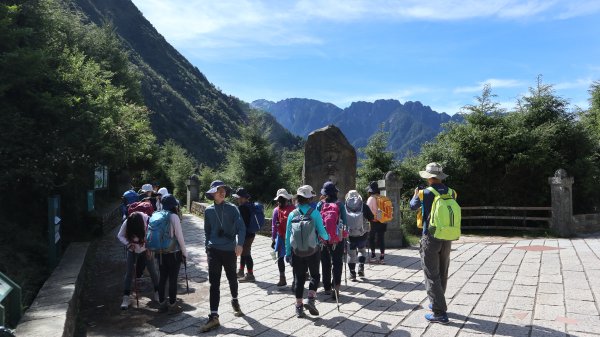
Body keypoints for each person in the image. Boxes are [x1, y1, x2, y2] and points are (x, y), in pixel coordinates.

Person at [410, 162, 455, 324]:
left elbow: (412, 206)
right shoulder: (452, 192)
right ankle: (438, 302)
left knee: (431, 273)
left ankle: (439, 312)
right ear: (440, 176)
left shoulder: (425, 193)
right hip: (447, 236)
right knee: (443, 270)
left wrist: (416, 195)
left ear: (429, 178)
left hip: (430, 236)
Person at [201, 181, 246, 333]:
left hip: (229, 250)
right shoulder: (208, 211)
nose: (222, 192)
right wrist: (207, 248)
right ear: (213, 193)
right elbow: (207, 232)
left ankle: (234, 299)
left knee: (232, 278)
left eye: (224, 190)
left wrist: (240, 244)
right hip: (213, 250)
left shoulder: (232, 209)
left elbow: (241, 227)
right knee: (214, 283)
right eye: (218, 190)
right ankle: (214, 316)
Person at [285, 185, 329, 318]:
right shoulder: (315, 213)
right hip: (312, 250)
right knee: (315, 276)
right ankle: (310, 299)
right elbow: (323, 233)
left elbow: (287, 236)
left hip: (297, 252)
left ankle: (299, 307)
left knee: (299, 278)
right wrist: (328, 238)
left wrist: (288, 253)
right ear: (309, 198)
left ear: (298, 198)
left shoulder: (292, 214)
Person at [117, 212, 160, 309]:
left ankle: (157, 292)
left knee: (152, 270)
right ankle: (126, 297)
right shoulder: (128, 222)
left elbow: (151, 237)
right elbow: (120, 235)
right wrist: (128, 244)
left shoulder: (147, 221)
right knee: (129, 272)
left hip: (145, 249)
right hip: (132, 249)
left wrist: (149, 248)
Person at [153, 195, 188, 313]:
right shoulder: (174, 217)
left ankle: (162, 303)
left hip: (160, 253)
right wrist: (184, 253)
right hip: (173, 253)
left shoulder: (157, 214)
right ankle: (172, 304)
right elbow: (180, 236)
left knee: (162, 278)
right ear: (173, 205)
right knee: (173, 279)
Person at [317, 181, 347, 300]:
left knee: (325, 262)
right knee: (337, 262)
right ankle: (336, 288)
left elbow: (317, 222)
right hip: (337, 238)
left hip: (323, 239)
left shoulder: (320, 204)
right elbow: (345, 223)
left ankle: (327, 287)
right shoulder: (340, 205)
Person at [344, 190, 374, 281]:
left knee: (351, 254)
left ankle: (352, 274)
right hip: (362, 233)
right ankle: (361, 267)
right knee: (362, 250)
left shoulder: (345, 206)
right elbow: (371, 218)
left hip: (350, 234)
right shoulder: (363, 206)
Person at [271, 188, 295, 287]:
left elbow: (273, 226)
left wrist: (273, 239)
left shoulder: (276, 210)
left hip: (281, 237)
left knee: (280, 258)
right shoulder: (294, 209)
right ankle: (295, 280)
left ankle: (282, 279)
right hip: (292, 237)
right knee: (294, 259)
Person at [233, 188, 256, 282]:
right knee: (243, 252)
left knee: (247, 254)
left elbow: (241, 223)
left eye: (238, 198)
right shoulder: (249, 205)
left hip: (245, 234)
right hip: (251, 233)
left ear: (243, 198)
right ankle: (241, 271)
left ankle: (250, 275)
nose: (237, 200)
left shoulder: (242, 208)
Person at [366, 181, 386, 264]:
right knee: (381, 239)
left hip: (373, 221)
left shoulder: (371, 198)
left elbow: (367, 210)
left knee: (371, 238)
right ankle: (382, 257)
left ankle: (373, 256)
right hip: (382, 221)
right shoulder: (382, 197)